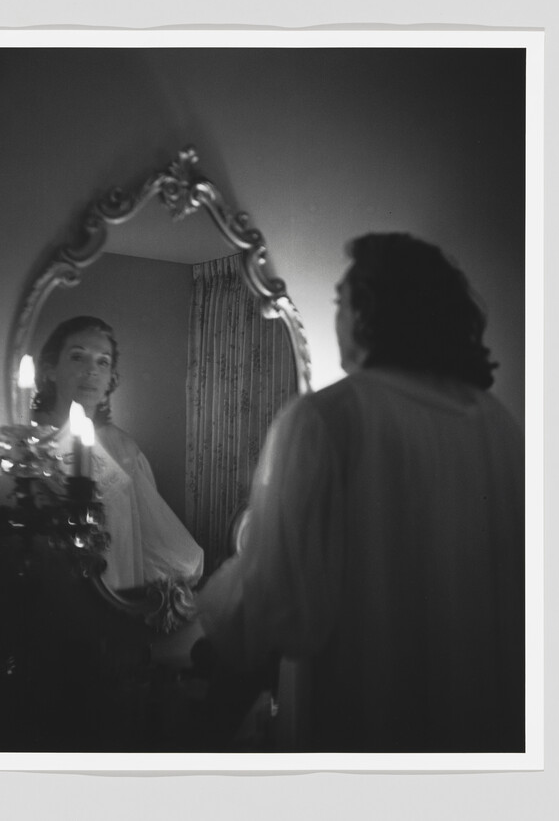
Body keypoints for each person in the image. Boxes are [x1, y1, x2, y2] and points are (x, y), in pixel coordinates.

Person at [193, 233, 525, 753]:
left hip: (364, 727)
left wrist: (200, 744)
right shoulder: (498, 423)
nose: (337, 319)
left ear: (369, 312)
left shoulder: (329, 418)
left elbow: (270, 613)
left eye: (341, 302)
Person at [32, 315, 204, 591]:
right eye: (78, 357)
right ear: (51, 369)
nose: (91, 370)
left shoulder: (123, 450)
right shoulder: (28, 447)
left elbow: (157, 542)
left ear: (110, 379)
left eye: (103, 362)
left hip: (115, 595)